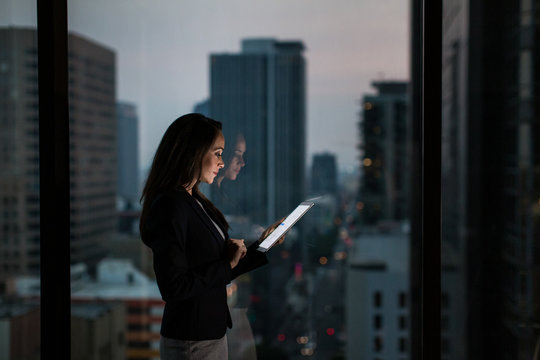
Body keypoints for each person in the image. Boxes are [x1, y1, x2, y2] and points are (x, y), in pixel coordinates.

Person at [139, 113, 281, 360]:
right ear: (193, 152)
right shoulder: (171, 205)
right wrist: (227, 263)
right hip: (191, 342)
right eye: (217, 153)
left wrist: (263, 245)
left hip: (207, 336)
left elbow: (220, 268)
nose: (222, 162)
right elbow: (174, 287)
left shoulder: (193, 201)